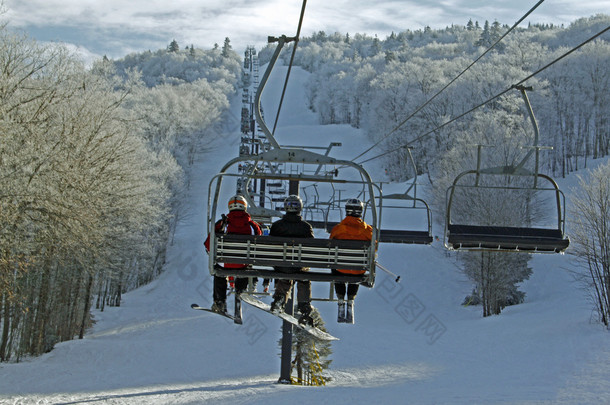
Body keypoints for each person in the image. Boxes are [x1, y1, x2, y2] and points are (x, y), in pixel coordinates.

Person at [204, 195, 262, 313]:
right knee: (245, 268)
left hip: (226, 263)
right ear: (244, 207)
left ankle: (220, 302)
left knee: (219, 272)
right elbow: (259, 243)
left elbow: (209, 244)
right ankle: (239, 297)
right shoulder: (252, 225)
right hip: (244, 264)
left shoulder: (222, 224)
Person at [269, 195, 316, 326]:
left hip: (280, 265)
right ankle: (304, 307)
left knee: (286, 273)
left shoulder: (277, 226)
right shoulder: (306, 227)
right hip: (299, 266)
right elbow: (313, 248)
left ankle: (279, 300)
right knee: (303, 276)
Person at [329, 198, 373, 324]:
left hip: (340, 269)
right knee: (356, 268)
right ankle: (350, 301)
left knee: (337, 265)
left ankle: (341, 299)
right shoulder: (368, 231)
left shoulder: (337, 229)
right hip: (358, 269)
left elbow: (330, 245)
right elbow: (373, 248)